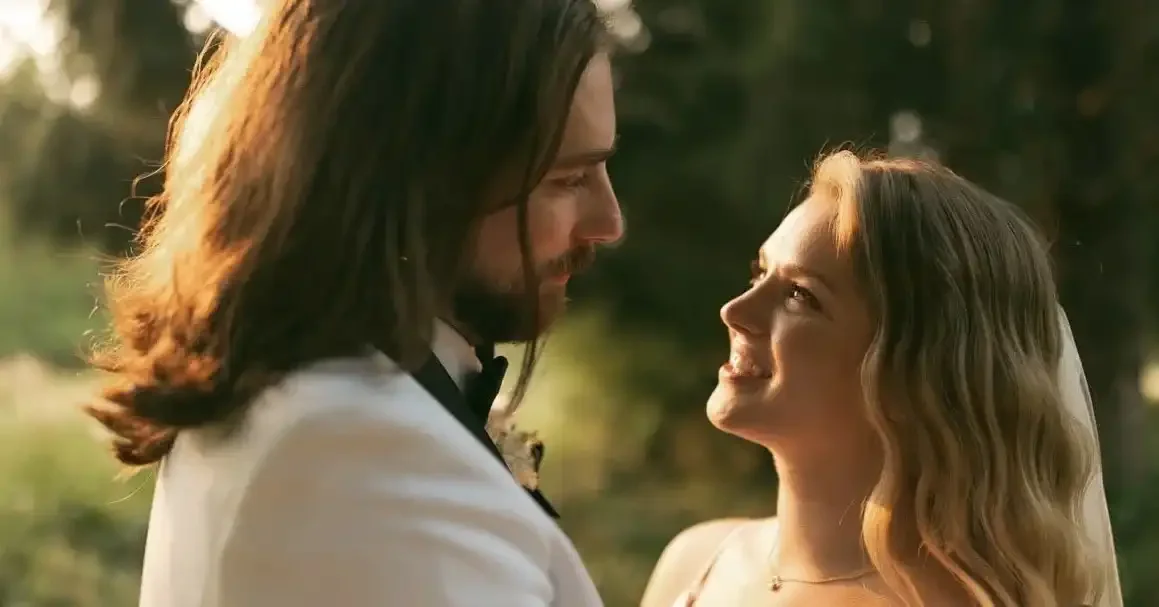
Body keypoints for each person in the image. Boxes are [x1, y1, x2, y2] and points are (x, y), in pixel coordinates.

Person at [84, 1, 623, 605]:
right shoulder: (362, 454)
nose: (609, 223)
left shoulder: (297, 393)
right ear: (416, 177)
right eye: (569, 180)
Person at [640, 151, 1122, 606]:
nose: (734, 312)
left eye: (800, 296)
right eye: (758, 274)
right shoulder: (696, 560)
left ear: (912, 366)